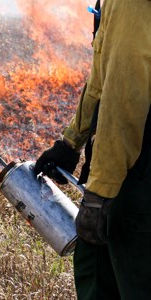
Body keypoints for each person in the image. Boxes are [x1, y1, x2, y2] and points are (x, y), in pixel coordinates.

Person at [34, 0, 151, 299]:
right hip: (131, 168)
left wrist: (100, 194)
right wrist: (71, 141)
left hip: (137, 174)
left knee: (116, 276)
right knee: (93, 261)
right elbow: (104, 71)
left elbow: (123, 95)